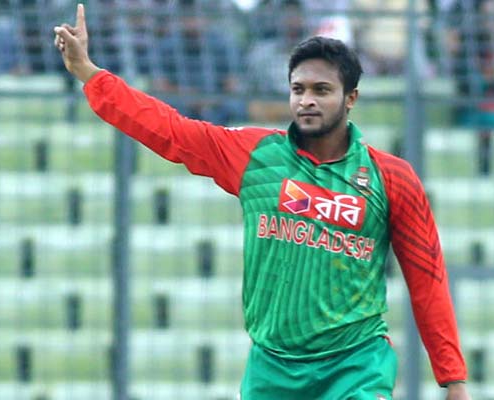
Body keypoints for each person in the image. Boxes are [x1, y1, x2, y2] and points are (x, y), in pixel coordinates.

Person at [54, 4, 471, 399]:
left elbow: (427, 279)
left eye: (322, 90)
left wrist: (453, 378)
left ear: (351, 98)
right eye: (298, 89)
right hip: (271, 367)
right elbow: (170, 130)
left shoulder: (391, 177)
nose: (307, 100)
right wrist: (89, 73)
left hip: (355, 364)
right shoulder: (255, 155)